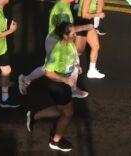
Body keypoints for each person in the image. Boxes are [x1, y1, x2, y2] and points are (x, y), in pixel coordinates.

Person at [18, 0, 91, 95]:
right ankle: (25, 79)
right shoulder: (61, 10)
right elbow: (66, 30)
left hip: (60, 39)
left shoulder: (64, 5)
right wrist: (86, 27)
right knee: (48, 68)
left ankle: (73, 88)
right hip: (55, 41)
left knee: (69, 62)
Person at [25, 22, 86, 153]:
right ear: (64, 35)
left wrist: (76, 66)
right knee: (68, 113)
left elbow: (72, 59)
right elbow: (48, 73)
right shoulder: (57, 51)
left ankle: (34, 116)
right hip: (58, 86)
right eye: (72, 34)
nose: (75, 36)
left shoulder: (69, 44)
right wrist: (65, 79)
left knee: (62, 111)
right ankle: (55, 141)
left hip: (64, 84)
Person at [75, 0, 106, 79]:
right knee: (78, 52)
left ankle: (91, 71)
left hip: (88, 24)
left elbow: (76, 1)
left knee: (96, 46)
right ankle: (64, 67)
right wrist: (98, 15)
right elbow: (84, 14)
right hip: (82, 23)